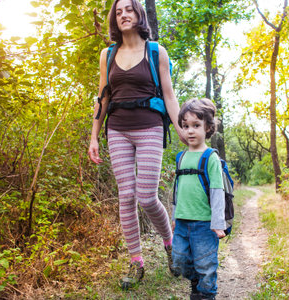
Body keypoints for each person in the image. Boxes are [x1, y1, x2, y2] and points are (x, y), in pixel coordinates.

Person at [88, 0, 184, 290]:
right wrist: (94, 135)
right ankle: (137, 261)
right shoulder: (108, 54)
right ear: (114, 20)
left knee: (146, 196)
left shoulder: (156, 52)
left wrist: (181, 127)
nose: (123, 15)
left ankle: (170, 245)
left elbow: (168, 95)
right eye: (118, 12)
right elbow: (103, 96)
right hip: (117, 129)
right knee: (126, 196)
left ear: (139, 14)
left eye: (128, 9)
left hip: (150, 128)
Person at [172, 98, 226, 300]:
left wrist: (218, 223)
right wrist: (174, 215)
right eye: (185, 126)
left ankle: (206, 294)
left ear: (208, 128)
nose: (190, 131)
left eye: (196, 125)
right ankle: (195, 282)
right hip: (182, 222)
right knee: (179, 260)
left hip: (204, 224)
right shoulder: (181, 157)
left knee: (206, 264)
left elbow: (217, 191)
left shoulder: (210, 157)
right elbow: (177, 189)